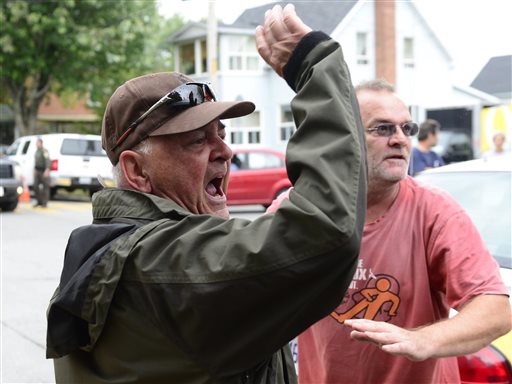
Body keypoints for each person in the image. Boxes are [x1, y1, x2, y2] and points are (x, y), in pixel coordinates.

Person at [45, 4, 367, 383]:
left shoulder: (117, 250)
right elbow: (328, 230)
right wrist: (314, 64)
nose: (225, 152)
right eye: (197, 140)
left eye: (222, 134)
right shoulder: (165, 265)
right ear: (136, 170)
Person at [268, 79, 511, 384]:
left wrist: (421, 341)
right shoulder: (297, 210)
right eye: (383, 128)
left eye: (407, 128)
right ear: (345, 137)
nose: (400, 139)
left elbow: (496, 309)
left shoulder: (434, 212)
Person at [33, 137, 51, 207]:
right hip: (37, 171)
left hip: (43, 171)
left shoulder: (44, 151)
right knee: (35, 186)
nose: (36, 144)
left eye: (37, 143)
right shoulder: (37, 151)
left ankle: (44, 203)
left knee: (45, 187)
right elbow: (36, 161)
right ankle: (39, 201)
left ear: (41, 143)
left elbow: (47, 160)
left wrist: (47, 169)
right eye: (36, 143)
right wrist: (34, 169)